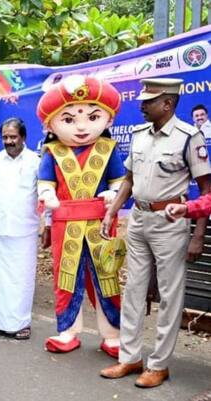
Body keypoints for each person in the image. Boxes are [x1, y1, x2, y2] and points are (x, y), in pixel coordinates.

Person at [99, 78, 211, 388]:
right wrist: (112, 211)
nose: (142, 104)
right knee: (134, 290)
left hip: (170, 222)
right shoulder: (138, 136)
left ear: (168, 104)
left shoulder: (189, 137)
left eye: (150, 100)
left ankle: (159, 365)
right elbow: (128, 181)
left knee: (169, 295)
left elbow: (206, 189)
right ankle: (130, 357)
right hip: (138, 219)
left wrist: (197, 235)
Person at [37, 75, 126, 357]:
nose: (82, 126)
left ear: (108, 120)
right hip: (66, 225)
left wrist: (115, 193)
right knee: (67, 277)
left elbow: (120, 182)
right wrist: (47, 196)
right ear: (50, 124)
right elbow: (45, 183)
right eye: (69, 119)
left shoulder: (108, 149)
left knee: (106, 274)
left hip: (101, 222)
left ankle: (112, 333)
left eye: (91, 116)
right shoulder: (52, 152)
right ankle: (68, 331)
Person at [0, 118, 42, 340]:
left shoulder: (35, 161)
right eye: (5, 137)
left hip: (25, 228)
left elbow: (44, 191)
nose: (9, 141)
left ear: (23, 137)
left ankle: (21, 324)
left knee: (21, 278)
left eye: (13, 137)